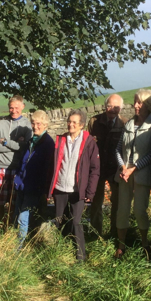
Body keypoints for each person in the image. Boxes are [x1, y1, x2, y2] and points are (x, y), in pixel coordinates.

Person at [49, 109, 100, 261]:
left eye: (74, 122)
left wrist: (90, 192)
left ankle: (80, 256)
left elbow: (95, 169)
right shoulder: (61, 140)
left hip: (78, 190)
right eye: (69, 121)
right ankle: (62, 251)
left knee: (76, 222)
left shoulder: (89, 143)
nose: (70, 124)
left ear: (81, 125)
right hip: (60, 188)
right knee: (59, 220)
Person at [114, 89, 151, 258]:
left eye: (139, 102)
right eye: (135, 102)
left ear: (148, 105)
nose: (136, 105)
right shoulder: (128, 124)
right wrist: (122, 167)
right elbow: (118, 149)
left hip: (141, 174)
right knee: (122, 210)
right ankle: (121, 245)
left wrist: (134, 168)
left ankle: (145, 243)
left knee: (140, 210)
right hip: (124, 174)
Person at [13, 110, 55, 249]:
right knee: (17, 214)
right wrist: (18, 177)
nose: (35, 126)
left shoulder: (48, 143)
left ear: (45, 124)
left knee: (23, 218)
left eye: (39, 123)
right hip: (22, 184)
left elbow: (47, 168)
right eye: (33, 123)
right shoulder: (31, 141)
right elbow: (23, 162)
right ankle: (20, 243)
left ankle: (19, 248)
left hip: (33, 186)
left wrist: (43, 188)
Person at [87, 94, 125, 238]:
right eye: (109, 106)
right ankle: (95, 235)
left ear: (120, 108)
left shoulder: (124, 124)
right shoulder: (94, 122)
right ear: (105, 106)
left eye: (116, 107)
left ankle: (115, 235)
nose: (112, 110)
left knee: (117, 203)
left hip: (115, 170)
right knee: (96, 204)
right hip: (97, 169)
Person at [0, 95, 32, 222]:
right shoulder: (1, 124)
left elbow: (25, 147)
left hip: (17, 167)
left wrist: (6, 142)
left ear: (23, 107)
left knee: (14, 199)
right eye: (11, 108)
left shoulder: (26, 125)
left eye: (17, 108)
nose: (14, 111)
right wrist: (16, 145)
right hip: (1, 165)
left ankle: (11, 224)